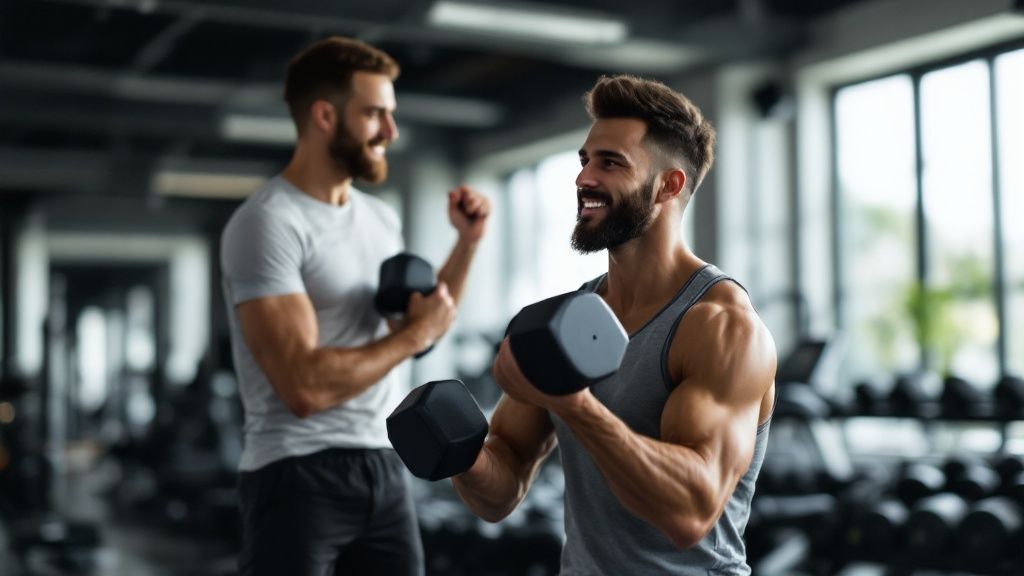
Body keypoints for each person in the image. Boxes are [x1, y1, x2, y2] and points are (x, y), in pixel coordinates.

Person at [452, 75, 776, 575]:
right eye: (584, 161)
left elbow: (690, 513)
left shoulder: (721, 326)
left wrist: (573, 404)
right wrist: (459, 453)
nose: (584, 179)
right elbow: (499, 493)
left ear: (669, 185)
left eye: (610, 163)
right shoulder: (562, 320)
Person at [220, 36, 490, 576]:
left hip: (384, 464)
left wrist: (466, 244)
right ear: (324, 115)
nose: (390, 132)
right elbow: (304, 388)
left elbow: (421, 327)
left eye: (390, 115)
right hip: (297, 471)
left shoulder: (379, 219)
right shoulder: (269, 222)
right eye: (374, 114)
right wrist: (412, 337)